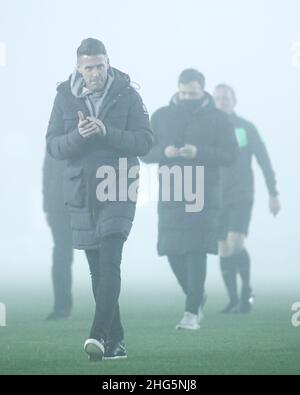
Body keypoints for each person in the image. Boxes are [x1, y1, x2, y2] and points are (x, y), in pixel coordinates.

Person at [46, 38, 152, 360]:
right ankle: (115, 341)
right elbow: (53, 146)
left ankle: (97, 335)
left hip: (120, 186)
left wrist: (106, 132)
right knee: (97, 270)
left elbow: (145, 142)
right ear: (79, 67)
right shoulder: (63, 98)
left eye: (100, 66)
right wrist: (79, 136)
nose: (95, 73)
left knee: (109, 260)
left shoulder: (129, 95)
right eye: (89, 67)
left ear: (108, 63)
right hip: (81, 192)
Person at [142, 69, 237, 330]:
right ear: (177, 89)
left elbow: (230, 155)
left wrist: (199, 152)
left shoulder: (219, 119)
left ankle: (191, 313)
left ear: (202, 91)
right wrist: (165, 151)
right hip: (171, 193)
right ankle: (197, 296)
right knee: (171, 251)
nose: (187, 97)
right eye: (183, 93)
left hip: (204, 194)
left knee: (196, 251)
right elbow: (145, 152)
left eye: (192, 94)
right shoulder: (161, 115)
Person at [213, 84, 281, 313]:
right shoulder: (207, 129)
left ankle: (246, 292)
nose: (221, 102)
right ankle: (234, 300)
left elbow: (263, 159)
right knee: (223, 249)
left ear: (234, 101)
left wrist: (273, 193)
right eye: (218, 98)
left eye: (225, 98)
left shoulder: (245, 128)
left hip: (241, 195)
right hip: (216, 197)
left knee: (235, 243)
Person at [42, 152, 73, 320]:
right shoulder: (53, 140)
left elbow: (47, 172)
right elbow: (47, 172)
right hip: (58, 207)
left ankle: (62, 308)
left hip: (81, 203)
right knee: (61, 256)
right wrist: (47, 207)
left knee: (98, 256)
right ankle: (61, 307)